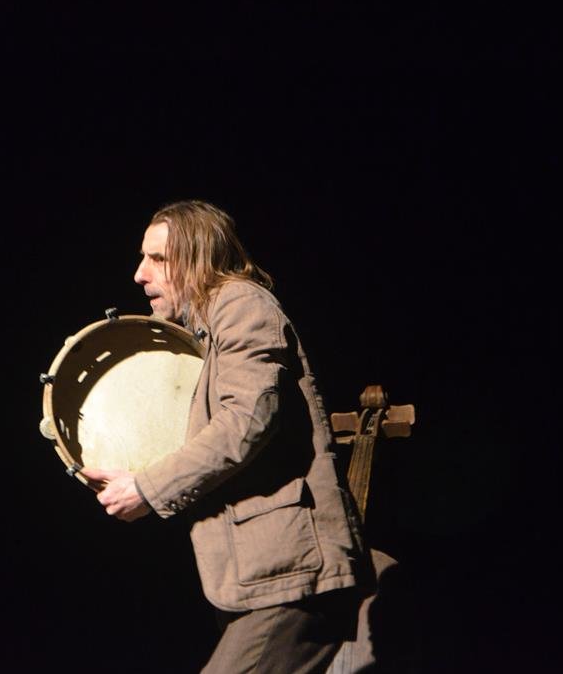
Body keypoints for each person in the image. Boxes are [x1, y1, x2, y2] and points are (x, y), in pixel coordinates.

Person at [80, 200, 371, 673]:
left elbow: (247, 419)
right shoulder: (207, 331)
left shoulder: (241, 302)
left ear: (199, 258)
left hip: (293, 572)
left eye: (157, 258)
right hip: (263, 575)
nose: (139, 274)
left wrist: (147, 487)